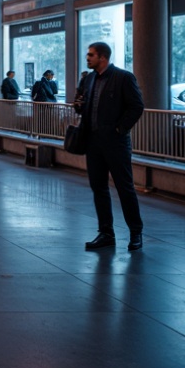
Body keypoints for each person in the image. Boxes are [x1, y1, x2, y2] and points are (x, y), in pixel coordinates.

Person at [75, 41, 145, 252]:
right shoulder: (88, 80)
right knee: (99, 187)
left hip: (115, 143)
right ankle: (106, 232)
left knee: (125, 188)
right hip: (93, 142)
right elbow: (81, 105)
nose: (87, 58)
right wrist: (79, 106)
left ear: (103, 57)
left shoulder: (123, 77)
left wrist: (119, 129)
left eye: (91, 55)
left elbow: (137, 106)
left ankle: (135, 232)